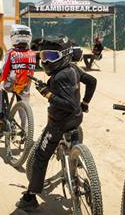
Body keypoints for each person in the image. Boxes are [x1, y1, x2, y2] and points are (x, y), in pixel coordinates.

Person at [16, 36, 97, 211]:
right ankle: (74, 162)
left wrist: (48, 94)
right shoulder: (73, 68)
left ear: (65, 55)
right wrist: (85, 103)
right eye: (44, 56)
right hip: (77, 118)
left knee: (40, 156)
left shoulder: (60, 76)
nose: (45, 61)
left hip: (58, 123)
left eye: (51, 57)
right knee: (70, 144)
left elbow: (68, 104)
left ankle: (30, 198)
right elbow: (92, 81)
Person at [0, 25, 37, 122]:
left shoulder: (11, 52)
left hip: (11, 85)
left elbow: (4, 71)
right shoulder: (32, 53)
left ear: (14, 37)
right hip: (25, 87)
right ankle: (26, 131)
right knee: (24, 109)